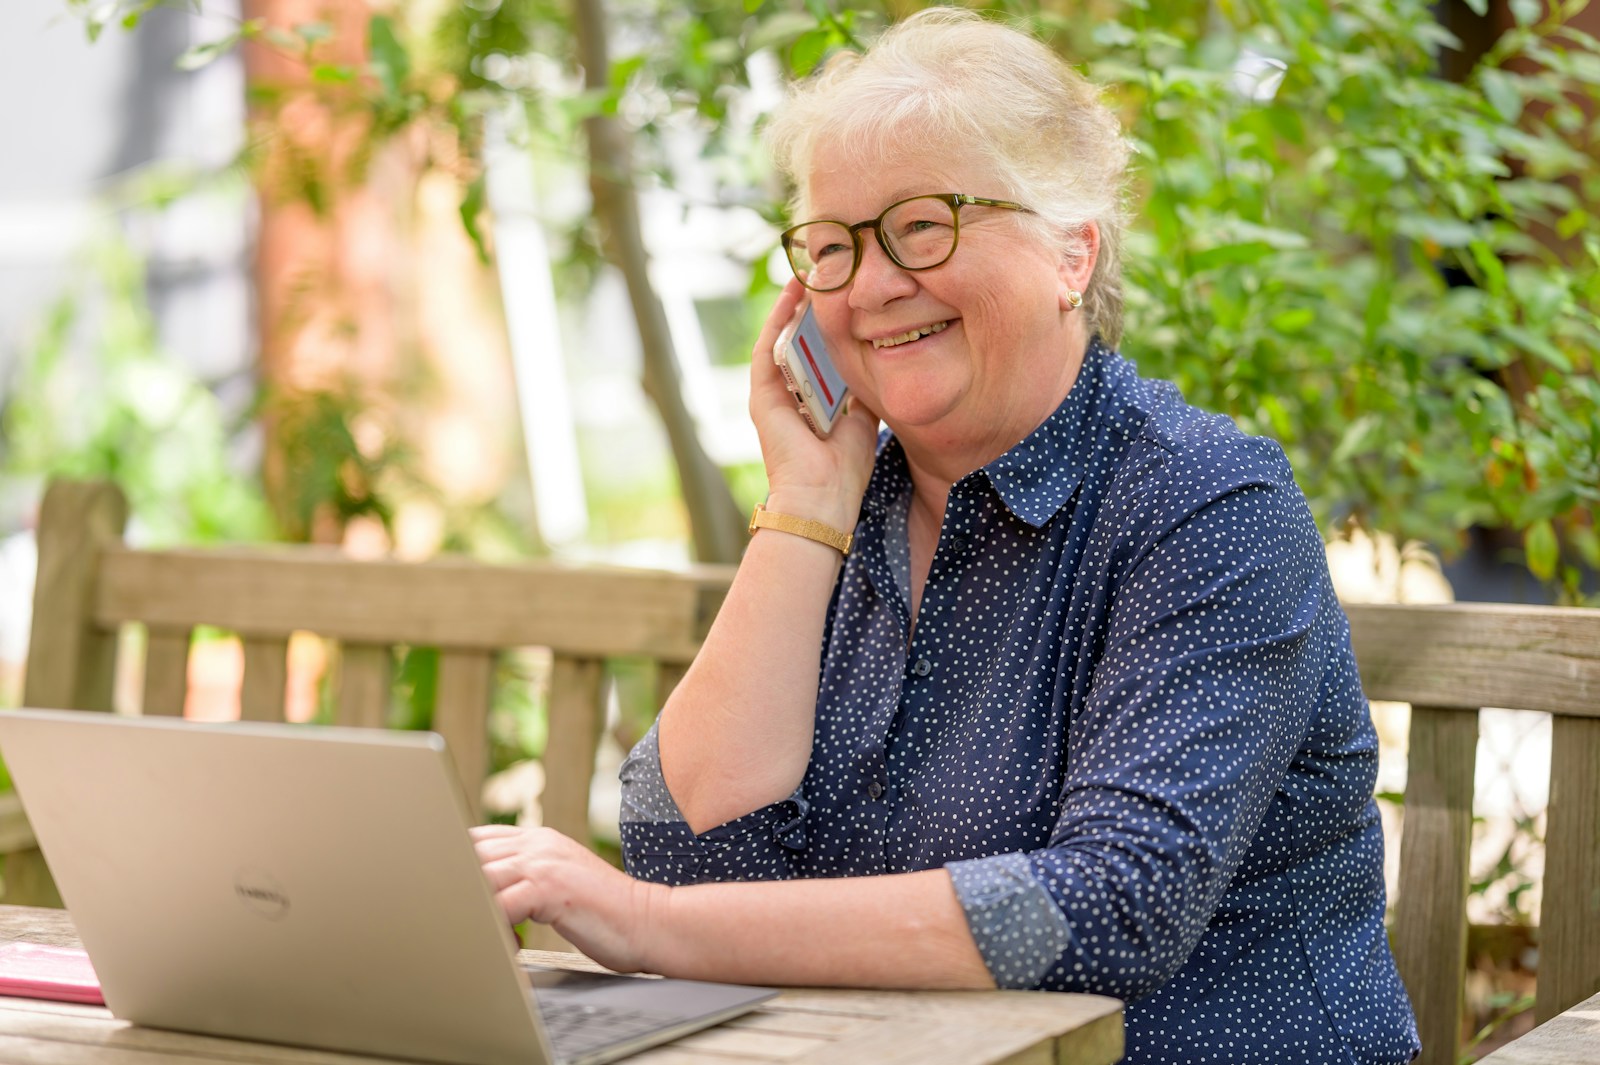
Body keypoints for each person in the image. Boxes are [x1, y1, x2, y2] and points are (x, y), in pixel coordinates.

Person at [472, 10, 1421, 1063]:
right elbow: (688, 852)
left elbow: (1114, 903)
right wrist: (807, 503)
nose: (874, 285)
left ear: (1072, 252)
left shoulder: (1205, 504)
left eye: (922, 226)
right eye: (832, 248)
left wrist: (642, 927)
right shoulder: (846, 516)